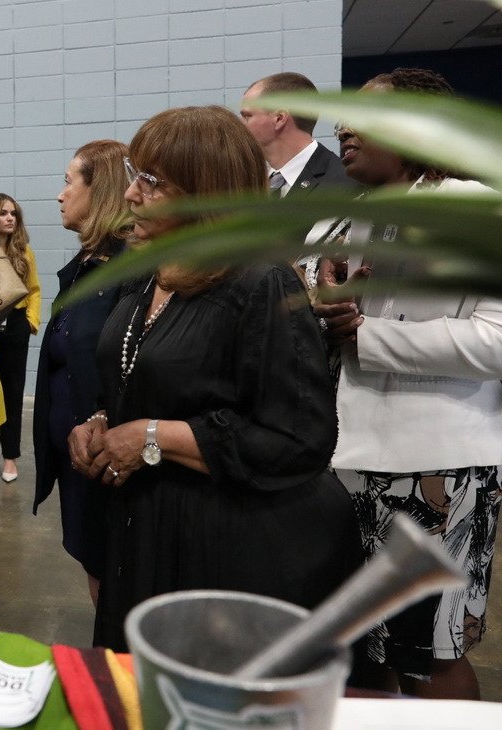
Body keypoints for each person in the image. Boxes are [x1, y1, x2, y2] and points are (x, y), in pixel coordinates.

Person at [68, 106, 362, 652]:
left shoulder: (262, 281)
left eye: (151, 182)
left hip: (225, 542)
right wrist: (105, 421)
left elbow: (297, 438)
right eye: (136, 176)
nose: (131, 195)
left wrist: (153, 436)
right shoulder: (153, 273)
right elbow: (153, 376)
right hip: (148, 528)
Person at [314, 68, 502, 700]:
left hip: (438, 468)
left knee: (432, 655)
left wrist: (365, 336)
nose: (343, 127)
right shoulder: (342, 221)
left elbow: (497, 339)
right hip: (342, 461)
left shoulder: (477, 208)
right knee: (369, 647)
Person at [32, 140, 133, 603]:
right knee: (97, 570)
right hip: (80, 462)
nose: (60, 194)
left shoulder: (130, 270)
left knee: (115, 575)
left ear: (102, 191)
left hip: (107, 457)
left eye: (69, 181)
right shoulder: (85, 267)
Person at [0, 194, 41, 485]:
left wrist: (30, 322)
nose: (10, 218)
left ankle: (11, 456)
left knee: (14, 392)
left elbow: (35, 290)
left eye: (13, 213)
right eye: (3, 213)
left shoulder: (24, 252)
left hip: (15, 326)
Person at [241, 72, 360, 198]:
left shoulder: (344, 185)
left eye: (247, 116)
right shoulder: (252, 185)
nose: (240, 124)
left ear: (279, 118)